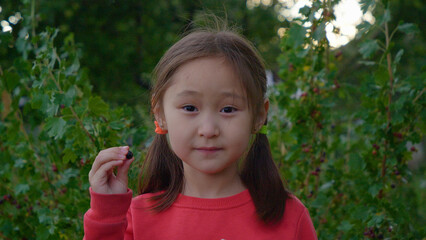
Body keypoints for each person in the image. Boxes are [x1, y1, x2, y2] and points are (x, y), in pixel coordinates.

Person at [83, 27, 317, 239]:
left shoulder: (289, 217)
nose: (208, 130)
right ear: (160, 113)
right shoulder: (136, 218)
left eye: (228, 109)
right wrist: (106, 214)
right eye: (190, 108)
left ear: (259, 116)